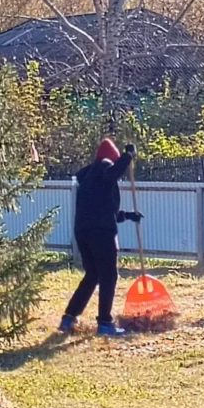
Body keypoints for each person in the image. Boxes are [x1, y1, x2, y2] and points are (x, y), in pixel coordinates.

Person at [58, 138, 143, 337]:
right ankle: (105, 323)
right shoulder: (105, 167)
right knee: (109, 276)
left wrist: (128, 215)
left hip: (84, 232)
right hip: (101, 233)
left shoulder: (89, 178)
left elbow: (104, 210)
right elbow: (112, 173)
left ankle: (68, 318)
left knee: (92, 275)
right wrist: (128, 156)